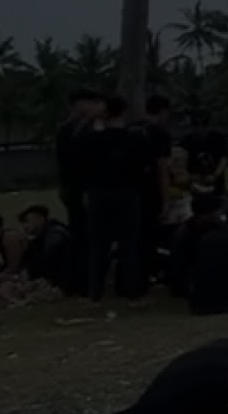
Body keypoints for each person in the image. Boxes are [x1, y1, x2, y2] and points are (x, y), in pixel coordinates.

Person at [83, 95, 149, 304]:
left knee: (98, 245)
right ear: (123, 112)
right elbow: (144, 167)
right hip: (127, 193)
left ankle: (95, 293)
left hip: (98, 194)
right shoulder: (135, 138)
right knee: (129, 244)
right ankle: (132, 293)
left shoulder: (92, 139)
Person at [55, 88, 103, 296]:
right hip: (82, 189)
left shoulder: (70, 129)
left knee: (83, 235)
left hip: (75, 188)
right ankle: (82, 281)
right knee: (85, 236)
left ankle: (79, 280)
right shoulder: (78, 130)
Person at [134, 95, 173, 286]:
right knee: (151, 234)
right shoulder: (160, 134)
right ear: (163, 111)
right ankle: (150, 271)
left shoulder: (131, 130)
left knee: (134, 234)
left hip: (131, 190)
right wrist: (166, 200)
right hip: (151, 190)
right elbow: (162, 169)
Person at [18, 204, 74, 295]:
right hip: (54, 280)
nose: (25, 226)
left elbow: (46, 265)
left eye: (27, 221)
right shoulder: (40, 238)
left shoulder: (55, 235)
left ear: (40, 219)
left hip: (65, 282)